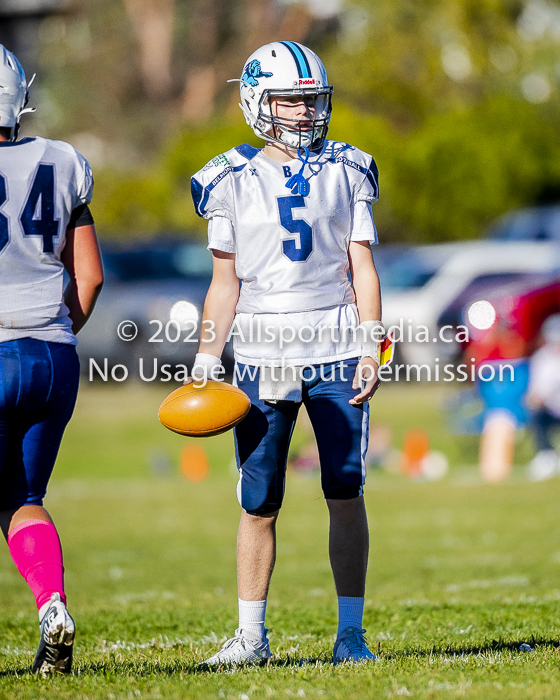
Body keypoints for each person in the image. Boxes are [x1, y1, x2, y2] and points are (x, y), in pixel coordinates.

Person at [189, 41, 382, 665]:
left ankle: (350, 635)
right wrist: (205, 358)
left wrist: (372, 343)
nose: (303, 113)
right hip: (262, 347)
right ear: (254, 101)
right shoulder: (228, 178)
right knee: (258, 498)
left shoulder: (349, 167)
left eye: (311, 101)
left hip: (333, 341)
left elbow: (363, 265)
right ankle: (250, 636)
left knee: (345, 489)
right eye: (289, 101)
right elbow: (226, 281)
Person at [0, 46, 103, 675]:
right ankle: (51, 604)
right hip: (52, 354)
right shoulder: (62, 160)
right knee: (21, 497)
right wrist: (57, 330)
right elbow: (87, 278)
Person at [526, 313, 560, 480]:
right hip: (550, 411)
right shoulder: (541, 358)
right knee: (536, 413)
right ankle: (546, 455)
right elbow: (536, 391)